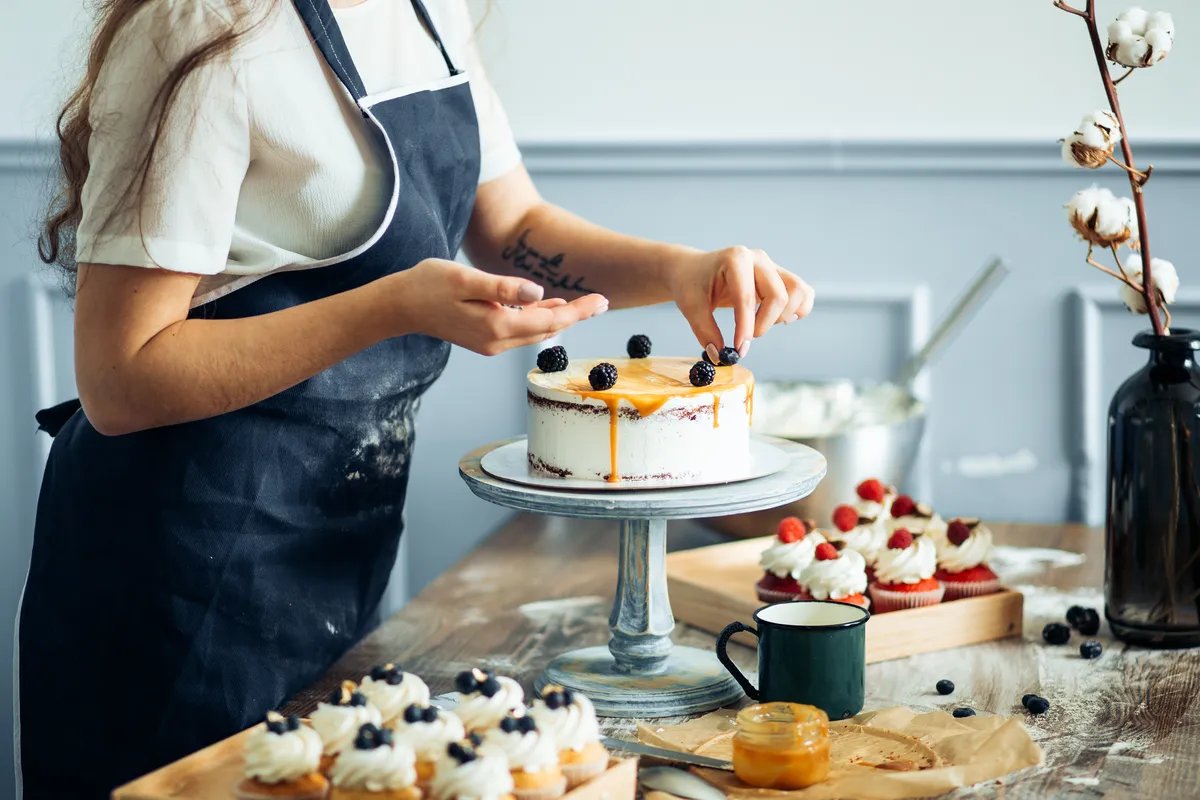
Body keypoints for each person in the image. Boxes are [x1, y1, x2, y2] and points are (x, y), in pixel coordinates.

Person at [19, 0, 815, 796]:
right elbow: (121, 378)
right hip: (173, 566)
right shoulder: (194, 26)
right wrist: (388, 305)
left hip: (333, 544)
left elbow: (511, 228)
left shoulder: (426, 9)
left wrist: (681, 269)